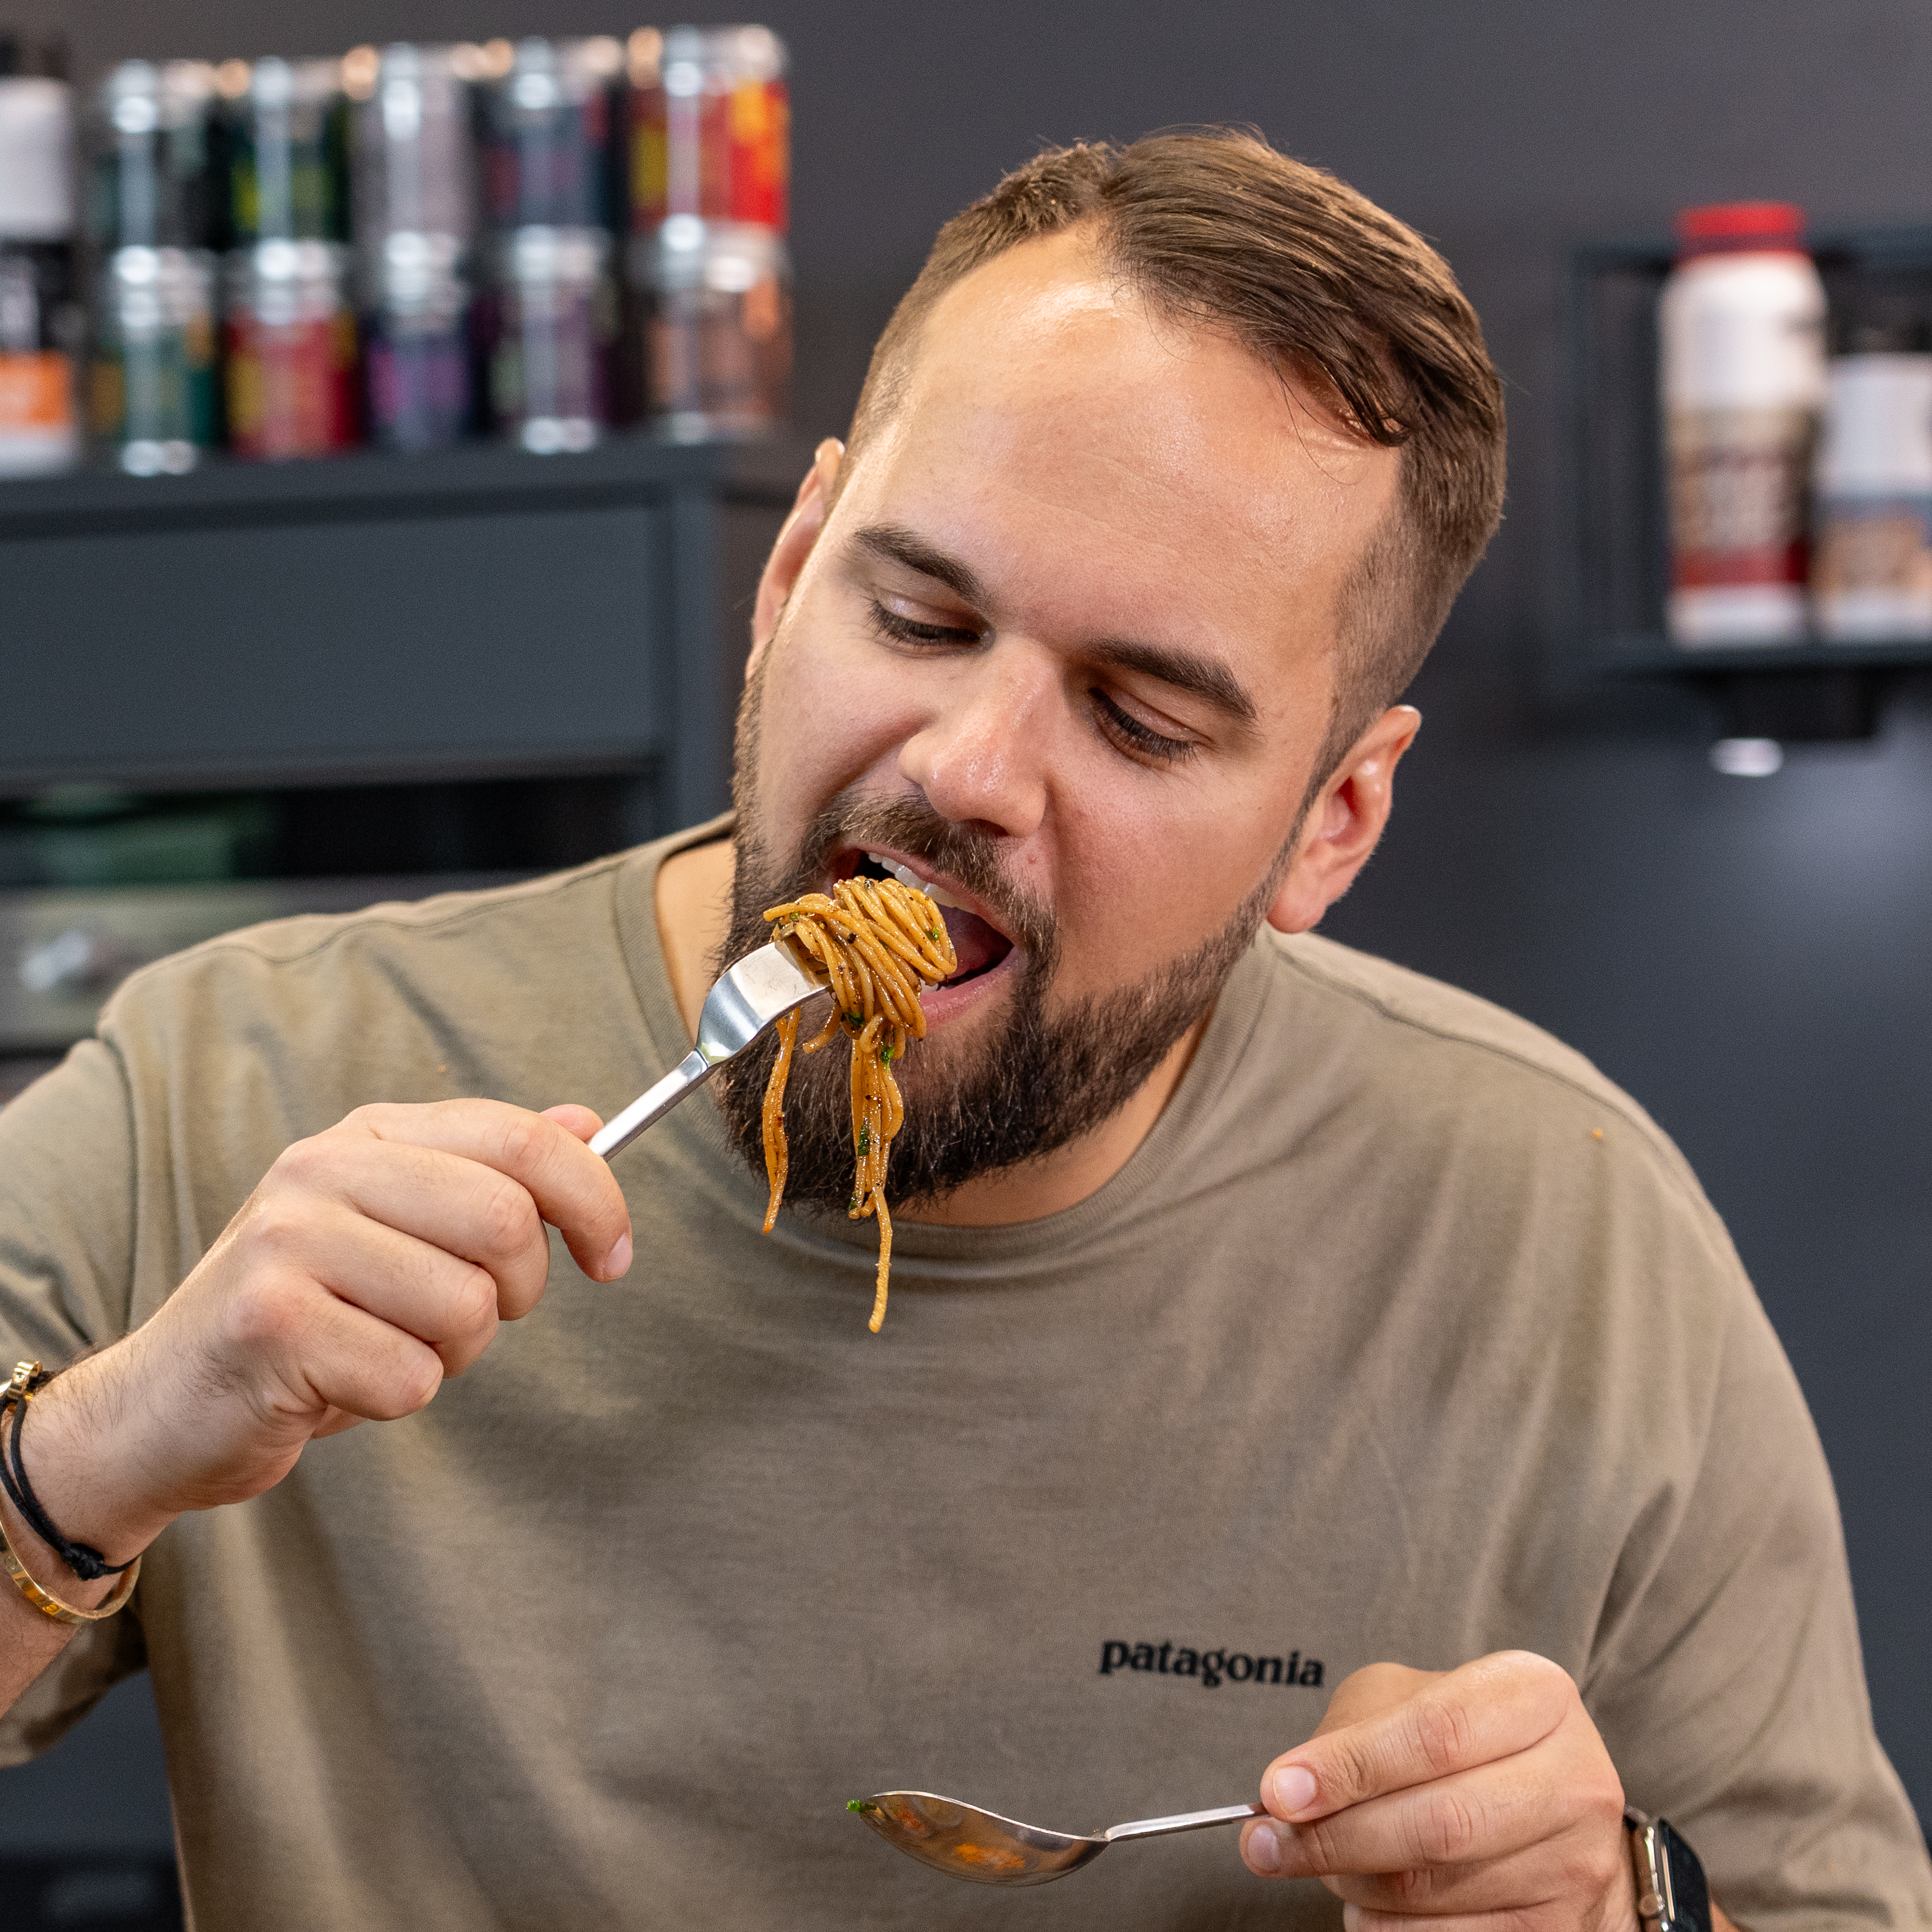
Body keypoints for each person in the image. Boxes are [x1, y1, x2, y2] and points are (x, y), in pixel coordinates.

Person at [0, 131, 1925, 1932]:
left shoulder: (1562, 1232)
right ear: (787, 578)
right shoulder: (235, 1085)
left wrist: (1615, 1906)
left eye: (1143, 720)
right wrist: (103, 1451)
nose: (969, 769)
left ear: (1331, 824)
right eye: (918, 617)